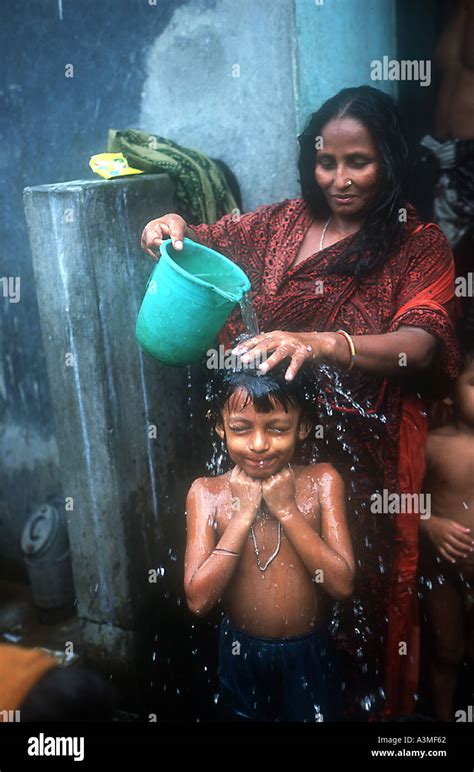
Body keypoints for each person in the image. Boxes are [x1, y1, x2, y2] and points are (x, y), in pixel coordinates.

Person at [141, 86, 459, 717]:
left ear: (390, 160)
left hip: (364, 457)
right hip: (268, 438)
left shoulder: (416, 245)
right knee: (264, 579)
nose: (339, 179)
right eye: (326, 162)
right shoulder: (282, 224)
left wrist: (324, 342)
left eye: (358, 162)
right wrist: (166, 231)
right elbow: (200, 249)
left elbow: (422, 344)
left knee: (357, 596)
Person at [184, 355, 354, 721]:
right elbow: (198, 599)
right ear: (220, 428)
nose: (259, 444)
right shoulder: (206, 493)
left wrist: (288, 510)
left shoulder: (323, 482)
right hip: (239, 650)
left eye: (277, 428)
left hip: (310, 650)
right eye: (241, 428)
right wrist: (243, 514)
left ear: (303, 426)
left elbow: (341, 584)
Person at [419, 336, 474, 721]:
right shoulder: (432, 444)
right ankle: (441, 723)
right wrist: (431, 524)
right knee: (446, 650)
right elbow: (401, 501)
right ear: (451, 395)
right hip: (444, 572)